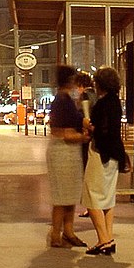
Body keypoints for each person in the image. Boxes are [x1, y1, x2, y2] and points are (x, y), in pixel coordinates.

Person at [81, 65, 126, 255]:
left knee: (91, 197)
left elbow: (102, 131)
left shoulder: (102, 104)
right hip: (114, 155)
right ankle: (109, 237)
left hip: (100, 154)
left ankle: (104, 240)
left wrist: (88, 126)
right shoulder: (116, 102)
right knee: (107, 198)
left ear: (100, 84)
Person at [46, 65, 89, 248]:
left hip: (65, 152)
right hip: (64, 151)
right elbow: (63, 133)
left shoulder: (63, 99)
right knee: (63, 197)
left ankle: (67, 233)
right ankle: (58, 234)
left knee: (68, 196)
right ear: (69, 80)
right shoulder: (63, 101)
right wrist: (84, 137)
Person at [76, 72, 97, 218]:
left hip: (87, 137)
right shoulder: (96, 95)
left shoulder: (85, 96)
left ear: (81, 85)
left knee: (87, 174)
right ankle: (94, 207)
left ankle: (91, 208)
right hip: (96, 138)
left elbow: (83, 116)